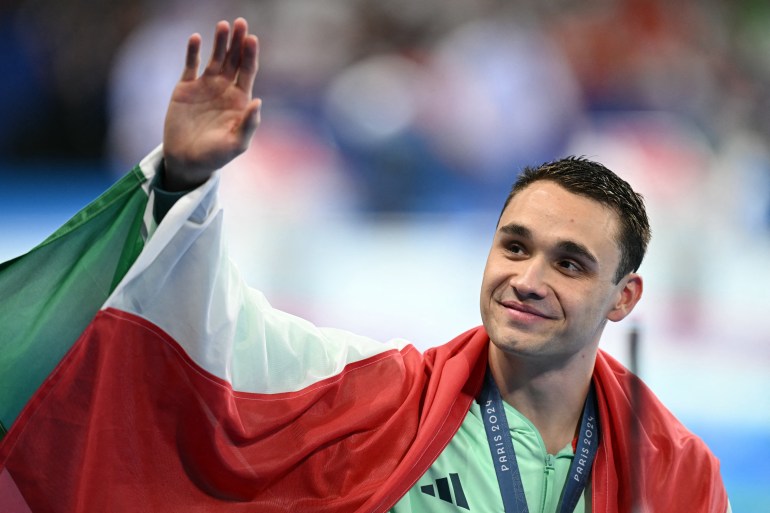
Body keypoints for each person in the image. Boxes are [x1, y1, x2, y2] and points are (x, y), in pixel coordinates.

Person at [0, 18, 729, 513]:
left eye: (569, 262)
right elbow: (210, 344)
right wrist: (184, 182)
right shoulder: (375, 398)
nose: (528, 278)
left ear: (623, 297)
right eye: (514, 245)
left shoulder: (674, 469)